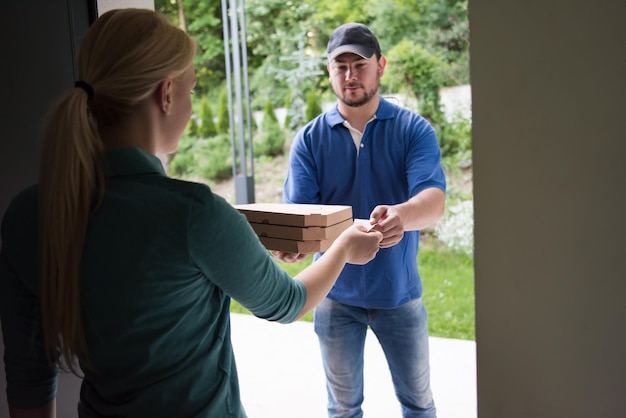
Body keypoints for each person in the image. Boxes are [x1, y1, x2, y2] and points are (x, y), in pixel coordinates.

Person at [0, 9, 384, 418]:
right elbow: (287, 303)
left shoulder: (28, 213)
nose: (190, 105)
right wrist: (344, 249)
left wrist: (247, 244)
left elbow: (28, 375)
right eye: (192, 91)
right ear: (166, 94)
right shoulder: (193, 213)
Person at [272, 23, 446, 418]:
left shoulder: (412, 129)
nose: (350, 75)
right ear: (329, 71)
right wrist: (293, 247)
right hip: (334, 298)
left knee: (419, 405)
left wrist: (402, 214)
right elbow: (302, 218)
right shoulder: (310, 139)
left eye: (360, 64)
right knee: (343, 409)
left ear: (380, 66)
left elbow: (434, 202)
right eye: (340, 65)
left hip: (399, 296)